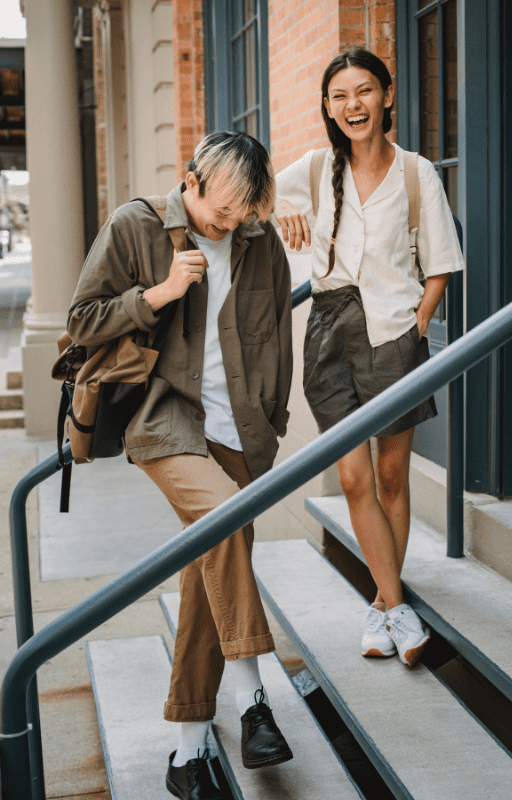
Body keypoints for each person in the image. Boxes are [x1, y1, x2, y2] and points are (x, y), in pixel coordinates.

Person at [68, 132, 294, 800]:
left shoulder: (259, 241)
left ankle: (188, 754)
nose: (228, 226)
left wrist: (271, 422)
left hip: (240, 433)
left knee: (209, 571)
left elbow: (277, 330)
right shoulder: (136, 225)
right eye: (220, 213)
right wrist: (159, 293)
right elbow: (83, 321)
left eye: (241, 217)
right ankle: (255, 701)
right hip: (165, 421)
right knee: (224, 526)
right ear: (190, 180)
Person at [274, 48, 464, 668]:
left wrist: (416, 325)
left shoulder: (416, 173)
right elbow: (257, 193)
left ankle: (385, 609)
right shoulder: (313, 166)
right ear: (328, 108)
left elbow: (438, 266)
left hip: (393, 334)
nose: (351, 105)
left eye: (362, 92)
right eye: (338, 96)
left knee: (390, 476)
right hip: (329, 334)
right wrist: (283, 207)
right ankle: (393, 603)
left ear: (386, 94)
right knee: (354, 477)